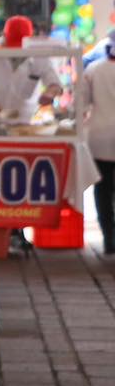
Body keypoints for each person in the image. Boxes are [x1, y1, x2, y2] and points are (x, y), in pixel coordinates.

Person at [0, 15, 62, 126]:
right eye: (12, 44)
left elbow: (55, 85)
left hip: (24, 124)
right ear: (3, 36)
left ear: (31, 38)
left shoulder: (39, 54)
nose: (16, 50)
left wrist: (49, 94)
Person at [77, 30, 115, 255]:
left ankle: (109, 239)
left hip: (99, 137)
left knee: (103, 189)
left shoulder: (93, 70)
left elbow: (81, 106)